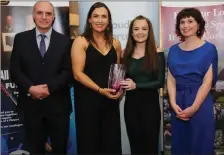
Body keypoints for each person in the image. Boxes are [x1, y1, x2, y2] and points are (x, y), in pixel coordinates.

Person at [10, 1, 72, 154]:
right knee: (35, 150)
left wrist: (48, 88)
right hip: (31, 109)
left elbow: (68, 72)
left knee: (60, 150)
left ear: (53, 17)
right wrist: (31, 88)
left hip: (58, 108)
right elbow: (15, 70)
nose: (44, 17)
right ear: (33, 15)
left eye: (48, 14)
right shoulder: (20, 39)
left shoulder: (66, 42)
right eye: (40, 13)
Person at [71, 2, 122, 154]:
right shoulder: (81, 41)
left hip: (110, 102)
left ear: (108, 21)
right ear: (89, 20)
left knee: (111, 143)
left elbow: (117, 72)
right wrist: (100, 90)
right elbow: (77, 74)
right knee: (89, 144)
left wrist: (119, 91)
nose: (100, 20)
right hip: (87, 102)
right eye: (96, 16)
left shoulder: (115, 43)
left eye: (104, 17)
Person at [167, 8, 218, 155]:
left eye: (190, 21)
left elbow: (207, 83)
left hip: (200, 104)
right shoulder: (173, 50)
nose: (185, 25)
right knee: (180, 147)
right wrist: (172, 102)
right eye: (182, 22)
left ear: (199, 25)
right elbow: (170, 80)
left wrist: (194, 107)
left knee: (200, 146)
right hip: (178, 105)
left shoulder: (209, 49)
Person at [120, 15, 165, 154]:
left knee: (151, 147)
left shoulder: (157, 53)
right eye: (136, 29)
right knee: (135, 147)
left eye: (144, 28)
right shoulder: (124, 54)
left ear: (149, 31)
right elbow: (122, 80)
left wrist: (136, 85)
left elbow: (160, 82)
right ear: (131, 32)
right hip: (131, 107)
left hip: (150, 107)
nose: (140, 32)